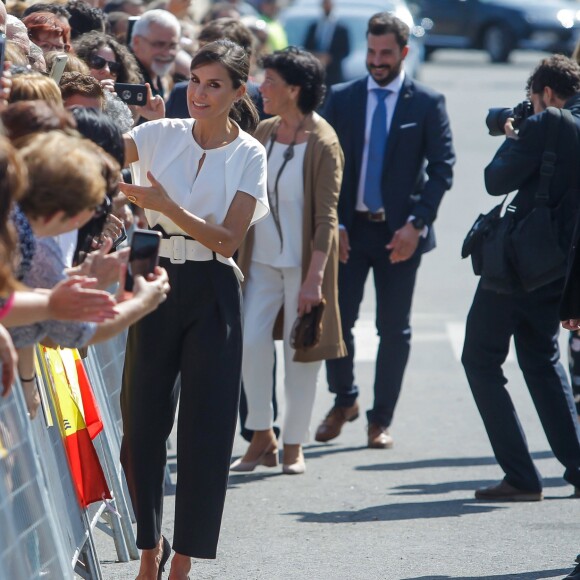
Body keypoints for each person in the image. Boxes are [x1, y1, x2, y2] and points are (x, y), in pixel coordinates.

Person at [117, 39, 268, 578]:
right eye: (195, 81)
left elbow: (228, 240)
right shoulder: (159, 133)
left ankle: (183, 559)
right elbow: (101, 155)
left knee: (206, 429)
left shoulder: (251, 152)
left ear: (238, 92)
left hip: (213, 286)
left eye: (213, 85)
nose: (199, 94)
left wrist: (165, 206)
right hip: (154, 280)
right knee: (140, 423)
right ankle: (148, 549)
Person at [315, 12, 454, 449]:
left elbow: (442, 169)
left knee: (395, 330)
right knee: (338, 323)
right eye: (372, 52)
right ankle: (344, 401)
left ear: (404, 52)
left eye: (386, 53)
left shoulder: (427, 103)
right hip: (349, 231)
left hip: (400, 235)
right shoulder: (341, 97)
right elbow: (324, 165)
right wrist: (333, 224)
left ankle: (381, 420)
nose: (377, 61)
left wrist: (417, 224)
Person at [462, 54, 580, 501]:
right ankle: (578, 466)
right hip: (561, 263)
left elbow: (496, 179)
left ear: (546, 94)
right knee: (541, 358)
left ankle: (521, 476)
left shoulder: (545, 123)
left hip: (516, 267)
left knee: (480, 359)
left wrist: (517, 130)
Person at [232, 47, 345, 475]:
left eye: (271, 81)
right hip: (259, 259)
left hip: (305, 265)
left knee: (304, 352)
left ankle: (294, 442)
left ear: (294, 89)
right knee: (250, 342)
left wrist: (313, 281)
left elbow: (327, 217)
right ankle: (262, 435)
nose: (262, 87)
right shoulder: (262, 131)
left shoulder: (324, 141)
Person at [129, 9, 180, 100]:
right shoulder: (125, 78)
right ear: (136, 42)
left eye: (173, 46)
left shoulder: (161, 77)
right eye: (159, 44)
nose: (167, 53)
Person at [73, 30, 143, 88]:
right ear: (82, 63)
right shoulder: (69, 99)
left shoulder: (124, 104)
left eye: (113, 66)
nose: (107, 70)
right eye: (98, 62)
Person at [304, 0, 350, 87]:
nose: (326, 6)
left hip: (334, 75)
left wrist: (330, 58)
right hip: (315, 73)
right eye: (324, 3)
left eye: (328, 3)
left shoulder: (341, 28)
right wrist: (317, 56)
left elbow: (346, 50)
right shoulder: (313, 26)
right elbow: (306, 47)